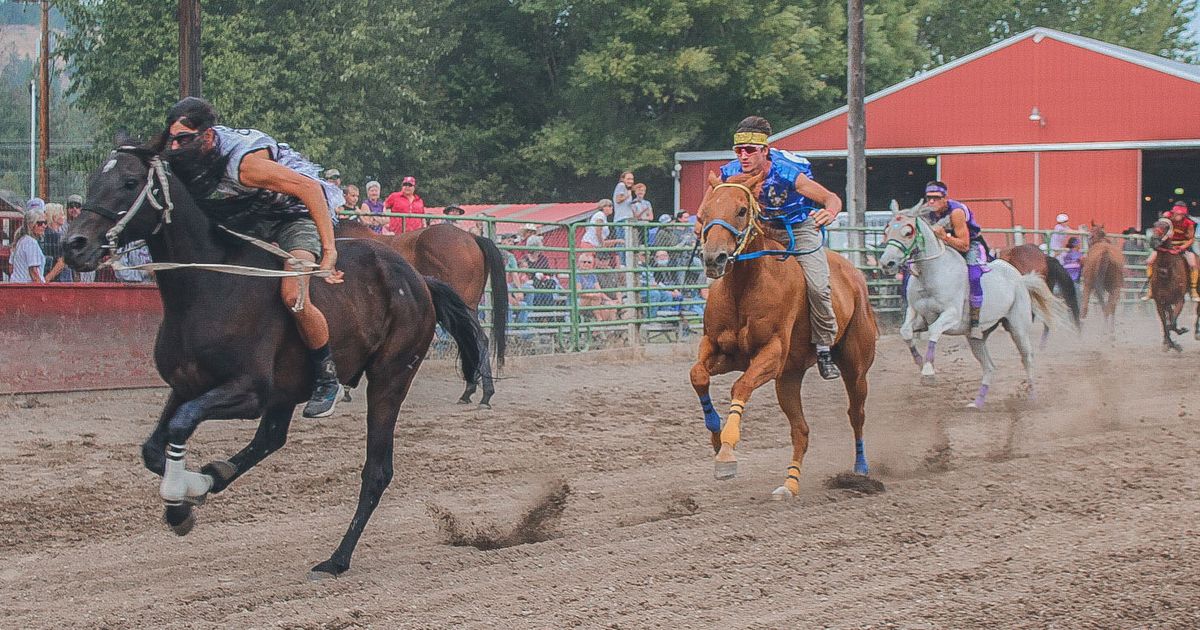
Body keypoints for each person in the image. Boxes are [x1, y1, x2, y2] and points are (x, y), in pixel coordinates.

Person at [160, 96, 346, 418]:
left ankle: (327, 378)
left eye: (184, 139)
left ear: (207, 136)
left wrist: (329, 252)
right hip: (252, 216)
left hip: (295, 217)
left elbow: (311, 191)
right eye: (172, 139)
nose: (176, 147)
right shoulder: (188, 154)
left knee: (292, 296)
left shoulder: (245, 164)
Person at [719, 115, 843, 379]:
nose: (744, 156)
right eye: (739, 150)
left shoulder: (787, 172)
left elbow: (829, 197)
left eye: (750, 150)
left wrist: (830, 211)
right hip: (759, 229)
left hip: (797, 229)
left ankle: (823, 347)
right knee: (722, 271)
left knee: (818, 286)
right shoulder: (729, 173)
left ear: (765, 150)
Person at [923, 180, 989, 339]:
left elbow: (965, 245)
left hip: (970, 244)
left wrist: (944, 237)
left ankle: (975, 321)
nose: (931, 201)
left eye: (936, 198)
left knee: (974, 276)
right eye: (929, 198)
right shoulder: (926, 212)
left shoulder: (956, 212)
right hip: (945, 245)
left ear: (945, 198)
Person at [1144, 201, 1199, 300]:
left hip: (1183, 246)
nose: (1178, 215)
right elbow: (1159, 229)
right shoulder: (1166, 219)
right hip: (1166, 245)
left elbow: (1191, 239)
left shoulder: (1189, 223)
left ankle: (1193, 289)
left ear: (1184, 214)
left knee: (1193, 264)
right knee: (1149, 261)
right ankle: (1150, 289)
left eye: (1180, 214)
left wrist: (1183, 247)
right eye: (1177, 213)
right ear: (1173, 212)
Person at [9, 208, 47, 283]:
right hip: (28, 288)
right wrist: (42, 291)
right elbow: (33, 272)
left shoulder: (21, 240)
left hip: (17, 285)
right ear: (31, 224)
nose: (44, 226)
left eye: (45, 222)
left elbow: (11, 268)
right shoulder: (31, 243)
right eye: (39, 223)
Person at [41, 202, 71, 282]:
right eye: (61, 214)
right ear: (54, 217)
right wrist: (47, 279)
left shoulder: (45, 234)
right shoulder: (55, 236)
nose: (64, 217)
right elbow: (61, 262)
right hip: (59, 279)